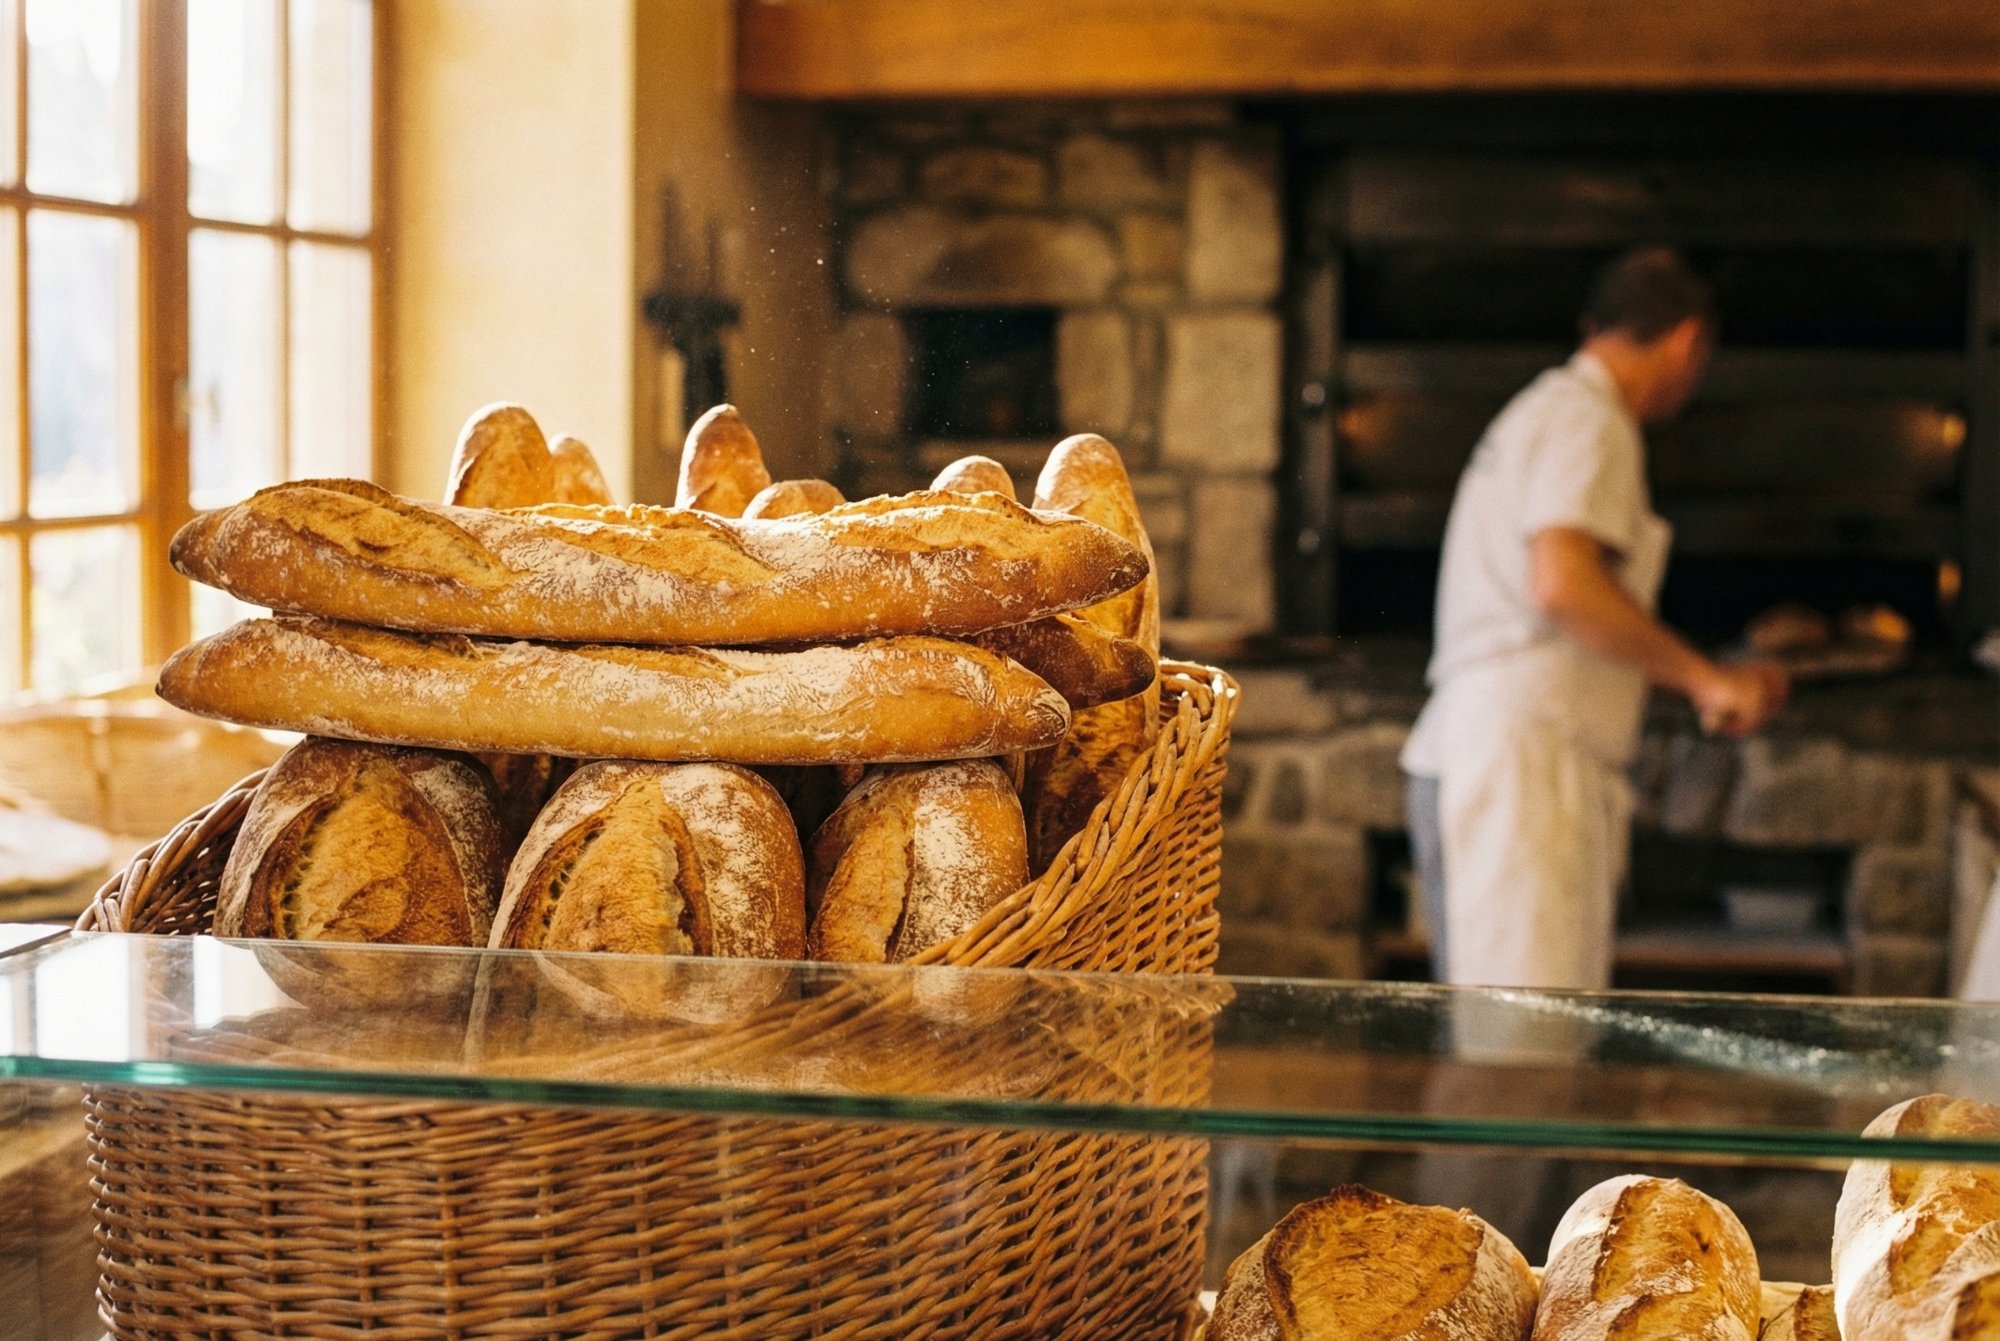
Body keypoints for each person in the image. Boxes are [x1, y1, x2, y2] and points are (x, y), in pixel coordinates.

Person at [1401, 247, 1788, 992]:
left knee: (1503, 1044)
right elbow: (1564, 582)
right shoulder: (1590, 420)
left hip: (1504, 752)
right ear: (1686, 340)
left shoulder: (1547, 406)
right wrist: (1706, 679)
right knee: (1516, 1057)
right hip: (1522, 766)